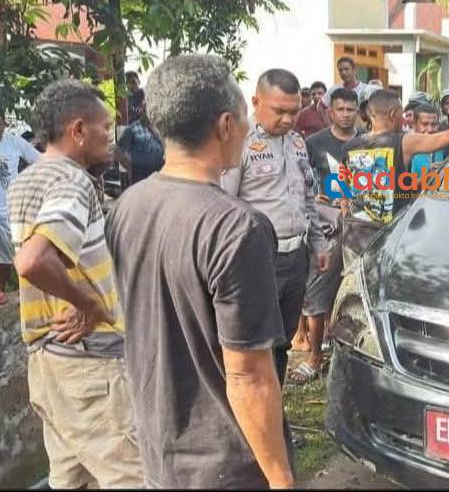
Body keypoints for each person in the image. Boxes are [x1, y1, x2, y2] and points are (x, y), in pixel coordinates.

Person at [106, 55, 293, 488]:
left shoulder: (127, 206)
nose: (247, 131)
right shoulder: (236, 227)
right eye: (245, 119)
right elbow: (249, 375)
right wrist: (282, 480)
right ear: (226, 125)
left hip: (159, 449)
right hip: (223, 463)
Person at [8, 80, 142, 488]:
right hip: (90, 365)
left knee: (72, 479)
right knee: (132, 477)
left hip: (50, 362)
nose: (110, 136)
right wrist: (87, 303)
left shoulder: (29, 179)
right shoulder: (71, 181)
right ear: (78, 130)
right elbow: (33, 260)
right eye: (105, 126)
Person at [221, 68, 331, 388]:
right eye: (279, 111)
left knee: (282, 341)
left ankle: (275, 412)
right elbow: (225, 203)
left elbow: (307, 196)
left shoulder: (297, 142)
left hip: (295, 258)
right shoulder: (239, 141)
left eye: (294, 111)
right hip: (256, 260)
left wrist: (319, 244)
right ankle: (249, 419)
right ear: (256, 101)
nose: (287, 119)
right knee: (254, 345)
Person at [343, 89, 449, 226]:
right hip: (386, 235)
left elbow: (346, 194)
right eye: (402, 115)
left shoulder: (348, 148)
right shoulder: (404, 142)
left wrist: (423, 179)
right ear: (393, 114)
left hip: (355, 233)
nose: (404, 121)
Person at [289, 87, 360, 380]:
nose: (345, 114)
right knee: (316, 293)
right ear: (329, 111)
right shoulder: (313, 143)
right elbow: (300, 182)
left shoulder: (369, 142)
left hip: (359, 226)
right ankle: (315, 357)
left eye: (351, 109)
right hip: (324, 228)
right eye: (340, 109)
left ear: (359, 111)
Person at [0, 113, 40, 304]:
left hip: (10, 211)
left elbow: (39, 161)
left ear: (4, 122)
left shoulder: (14, 142)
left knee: (10, 259)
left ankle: (11, 293)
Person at [113, 98, 164, 186]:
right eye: (144, 109)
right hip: (140, 176)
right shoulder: (132, 129)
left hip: (161, 173)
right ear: (141, 110)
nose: (146, 112)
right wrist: (129, 168)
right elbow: (117, 151)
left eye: (148, 109)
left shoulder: (161, 127)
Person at [409, 103, 446, 175]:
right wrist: (428, 175)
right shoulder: (406, 151)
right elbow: (405, 184)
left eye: (434, 124)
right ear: (414, 125)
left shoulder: (441, 148)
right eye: (425, 124)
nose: (430, 129)